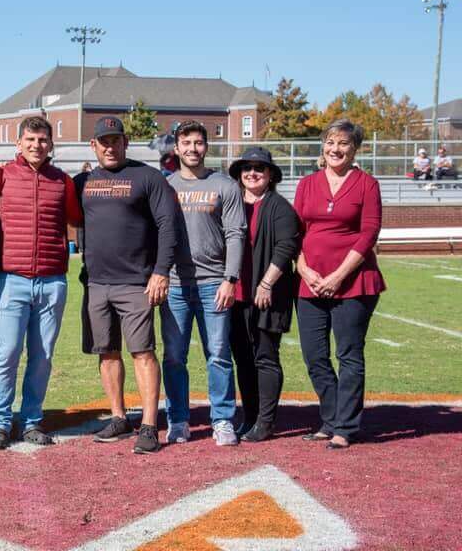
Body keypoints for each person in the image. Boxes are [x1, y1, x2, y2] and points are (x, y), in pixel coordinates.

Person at [0, 115, 83, 449]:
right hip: (11, 279)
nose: (36, 145)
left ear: (51, 144)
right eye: (30, 139)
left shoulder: (62, 181)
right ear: (19, 143)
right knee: (7, 353)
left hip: (52, 281)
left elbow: (77, 219)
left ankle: (32, 420)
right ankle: (0, 421)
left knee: (42, 356)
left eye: (42, 140)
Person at [79, 117, 178, 454]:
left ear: (125, 142)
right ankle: (119, 417)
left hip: (136, 282)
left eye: (115, 140)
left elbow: (167, 225)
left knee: (142, 352)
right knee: (106, 352)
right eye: (103, 141)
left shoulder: (147, 177)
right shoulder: (84, 180)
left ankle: (149, 425)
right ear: (93, 145)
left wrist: (161, 271)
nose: (110, 147)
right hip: (96, 283)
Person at [295, 119, 385, 450]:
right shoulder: (307, 184)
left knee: (348, 354)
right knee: (314, 356)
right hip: (310, 283)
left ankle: (345, 427)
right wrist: (305, 270)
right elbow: (295, 233)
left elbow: (369, 233)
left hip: (354, 283)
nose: (336, 149)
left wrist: (338, 276)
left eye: (344, 143)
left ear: (355, 149)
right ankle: (331, 419)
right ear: (323, 145)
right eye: (331, 142)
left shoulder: (367, 184)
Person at [162, 120, 246, 446]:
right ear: (176, 148)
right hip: (175, 284)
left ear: (206, 147)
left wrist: (230, 279)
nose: (192, 149)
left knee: (219, 354)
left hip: (214, 283)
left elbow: (236, 234)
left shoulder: (225, 185)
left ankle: (222, 419)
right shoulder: (166, 185)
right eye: (186, 143)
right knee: (174, 356)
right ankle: (178, 419)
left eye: (198, 143)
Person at [227, 147, 300, 443]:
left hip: (267, 294)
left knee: (265, 357)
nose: (252, 173)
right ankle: (250, 416)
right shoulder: (233, 203)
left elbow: (286, 247)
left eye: (259, 168)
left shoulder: (279, 207)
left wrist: (266, 283)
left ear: (270, 175)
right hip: (236, 295)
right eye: (247, 168)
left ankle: (266, 421)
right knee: (243, 358)